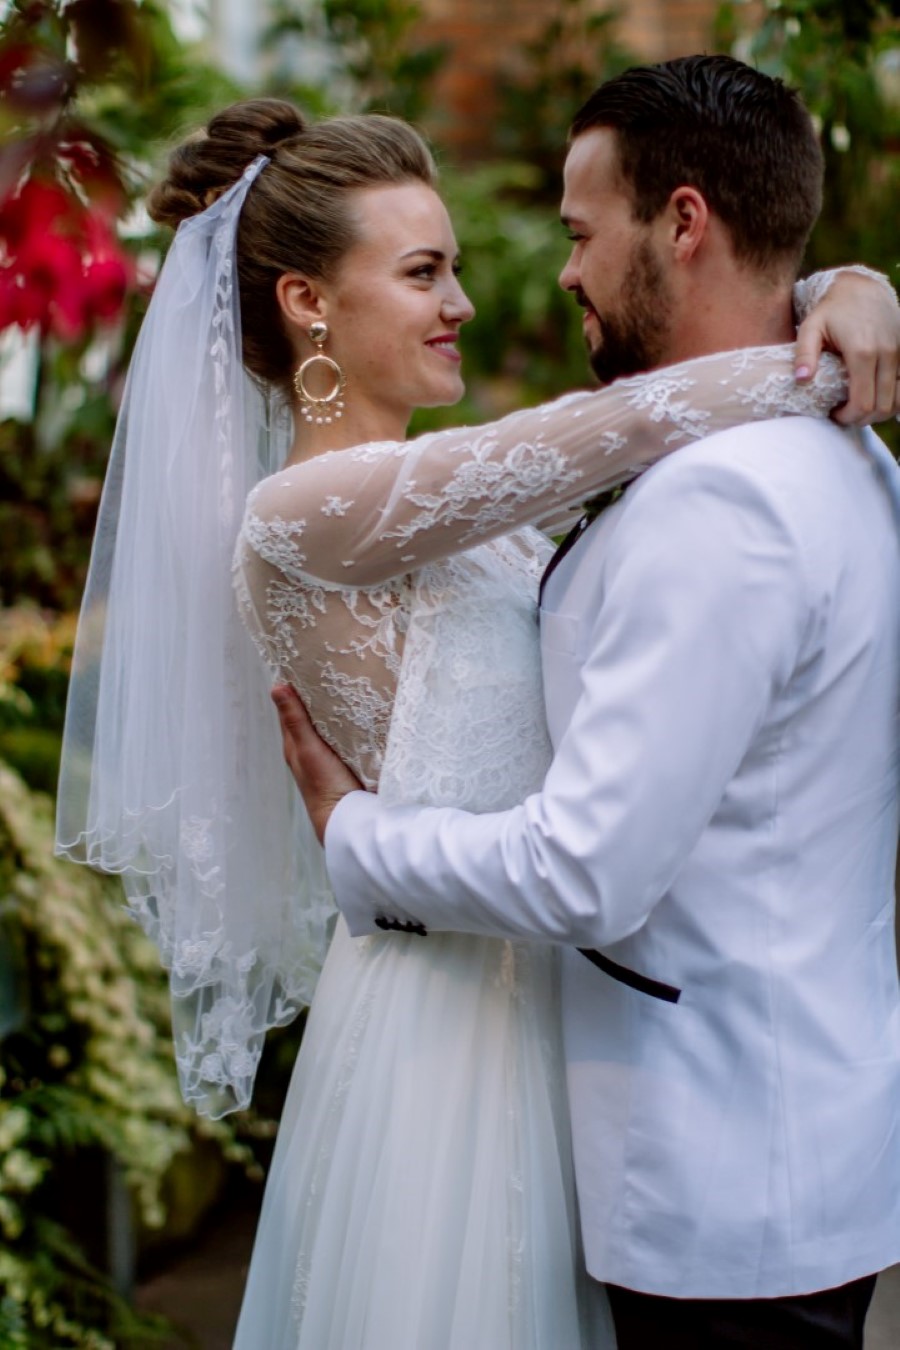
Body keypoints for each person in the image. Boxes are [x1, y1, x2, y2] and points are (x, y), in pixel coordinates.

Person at [54, 82, 899, 1348]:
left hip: (556, 1023)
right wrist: (827, 336)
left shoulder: (453, 511)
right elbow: (612, 425)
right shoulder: (302, 513)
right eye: (422, 273)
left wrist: (839, 284)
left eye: (452, 268)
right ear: (308, 302)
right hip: (447, 1033)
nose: (463, 301)